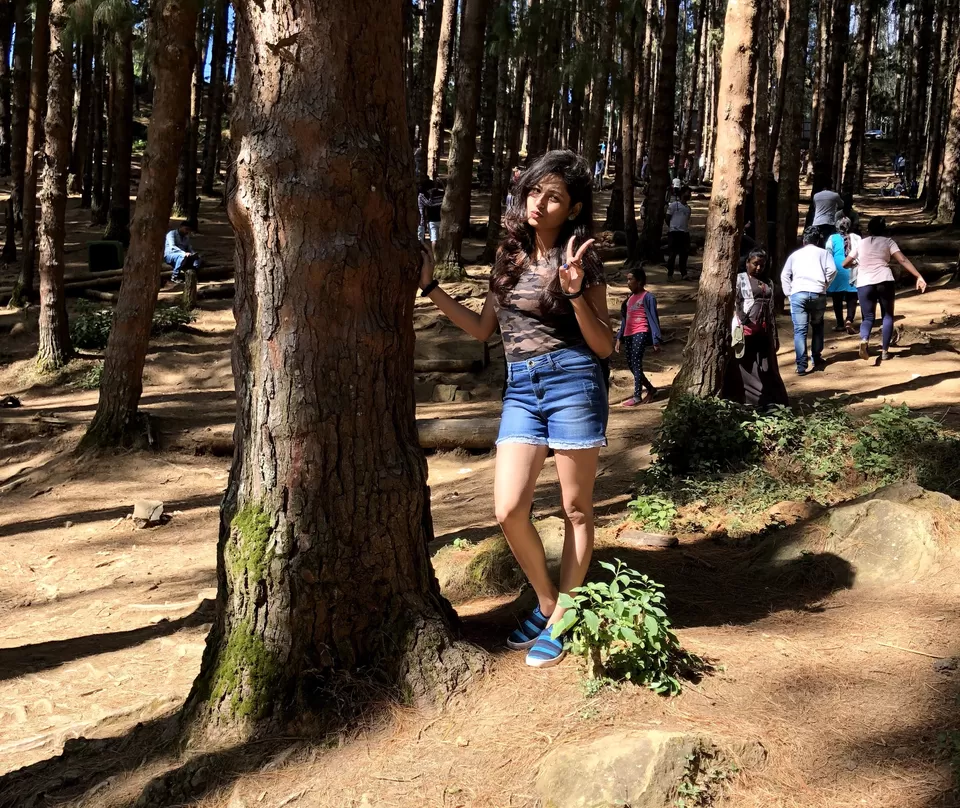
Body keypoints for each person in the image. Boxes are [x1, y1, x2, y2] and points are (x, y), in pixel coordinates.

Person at [419, 150, 613, 668]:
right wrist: (430, 287)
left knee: (576, 509)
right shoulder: (508, 254)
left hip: (574, 381)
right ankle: (551, 603)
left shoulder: (583, 257)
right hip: (521, 390)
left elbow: (605, 346)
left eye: (553, 196)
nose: (540, 203)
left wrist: (574, 295)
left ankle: (567, 614)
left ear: (572, 208)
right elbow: (484, 330)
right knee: (507, 509)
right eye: (534, 191)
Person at [843, 216, 927, 361]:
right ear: (884, 229)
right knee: (887, 316)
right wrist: (918, 276)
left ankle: (864, 339)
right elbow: (902, 259)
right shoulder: (888, 242)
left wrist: (856, 265)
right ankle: (885, 351)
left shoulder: (861, 244)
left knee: (868, 317)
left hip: (864, 282)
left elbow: (845, 263)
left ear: (868, 229)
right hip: (884, 280)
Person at [724, 248, 788, 408]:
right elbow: (736, 304)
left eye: (762, 265)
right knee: (746, 367)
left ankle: (773, 400)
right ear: (747, 263)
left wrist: (775, 336)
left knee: (768, 367)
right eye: (755, 264)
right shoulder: (739, 280)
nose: (759, 268)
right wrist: (744, 322)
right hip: (746, 332)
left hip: (765, 332)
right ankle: (751, 401)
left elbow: (771, 310)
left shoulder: (768, 282)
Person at [780, 226, 837, 375]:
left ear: (804, 240)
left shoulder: (795, 255)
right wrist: (825, 284)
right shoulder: (824, 253)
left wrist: (789, 293)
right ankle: (816, 357)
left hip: (798, 294)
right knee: (817, 325)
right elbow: (832, 270)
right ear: (818, 240)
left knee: (800, 330)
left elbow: (785, 275)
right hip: (818, 293)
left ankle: (801, 366)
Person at [615, 267, 662, 406]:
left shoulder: (648, 297)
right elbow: (625, 320)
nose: (628, 282)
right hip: (628, 334)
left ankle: (637, 396)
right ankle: (651, 389)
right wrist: (619, 338)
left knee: (636, 362)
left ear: (639, 281)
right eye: (627, 280)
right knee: (631, 364)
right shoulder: (629, 300)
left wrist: (656, 340)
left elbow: (654, 319)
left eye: (631, 279)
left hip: (641, 332)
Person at [825, 216, 861, 334]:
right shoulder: (857, 237)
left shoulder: (832, 238)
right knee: (852, 297)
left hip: (837, 269)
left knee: (837, 298)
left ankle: (840, 323)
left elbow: (828, 253)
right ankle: (849, 320)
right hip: (852, 268)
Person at [665, 186, 692, 281]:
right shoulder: (673, 205)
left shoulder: (688, 208)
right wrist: (673, 227)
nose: (689, 195)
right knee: (672, 254)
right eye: (687, 193)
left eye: (690, 193)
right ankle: (670, 275)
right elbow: (667, 218)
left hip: (684, 233)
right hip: (674, 233)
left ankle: (684, 274)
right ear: (682, 194)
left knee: (684, 254)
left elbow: (687, 220)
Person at [416, 178, 434, 243]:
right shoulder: (421, 196)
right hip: (420, 220)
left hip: (421, 220)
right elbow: (429, 204)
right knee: (420, 240)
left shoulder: (419, 195)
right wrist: (431, 195)